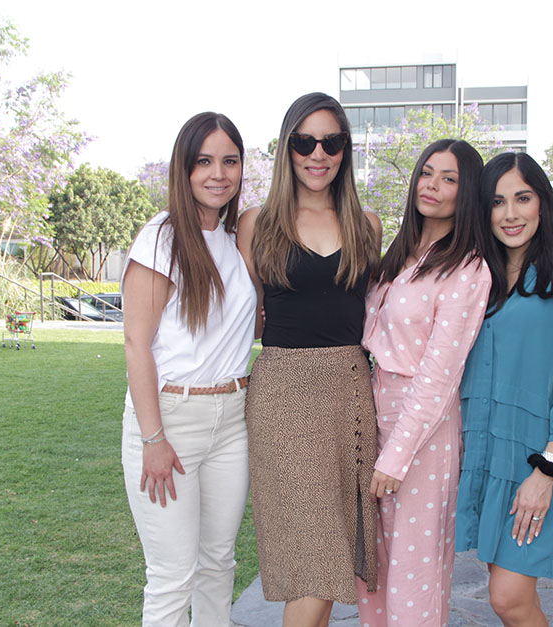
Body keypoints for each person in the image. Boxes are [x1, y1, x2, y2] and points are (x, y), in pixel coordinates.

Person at [237, 92, 382, 627]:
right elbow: (248, 310)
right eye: (304, 141)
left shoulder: (367, 224)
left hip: (350, 396)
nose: (317, 153)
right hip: (283, 400)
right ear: (287, 148)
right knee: (314, 559)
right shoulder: (257, 223)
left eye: (331, 141)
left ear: (345, 149)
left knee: (329, 558)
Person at [455, 152, 553, 627]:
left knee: (508, 597)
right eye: (497, 202)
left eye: (522, 198)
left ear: (543, 202)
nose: (510, 213)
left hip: (539, 458)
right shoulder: (477, 274)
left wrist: (549, 469)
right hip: (483, 451)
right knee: (510, 595)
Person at [120, 112, 257, 626]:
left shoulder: (235, 239)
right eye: (204, 161)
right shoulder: (161, 237)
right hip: (170, 420)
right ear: (184, 168)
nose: (218, 173)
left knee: (219, 563)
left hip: (232, 419)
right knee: (172, 575)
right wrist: (153, 438)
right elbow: (137, 343)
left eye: (229, 161)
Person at [356, 139, 491, 626]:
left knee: (414, 573)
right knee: (374, 571)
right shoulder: (401, 251)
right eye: (427, 173)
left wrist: (396, 454)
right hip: (373, 410)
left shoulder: (469, 267)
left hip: (423, 429)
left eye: (449, 178)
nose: (431, 185)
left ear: (467, 191)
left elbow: (440, 373)